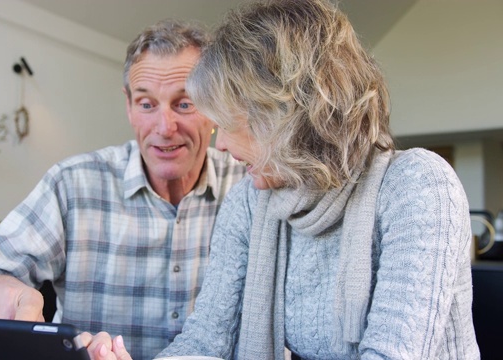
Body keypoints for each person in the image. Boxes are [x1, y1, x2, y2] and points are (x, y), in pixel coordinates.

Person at [84, 0, 480, 359]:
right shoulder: (248, 203)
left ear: (284, 117)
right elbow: (204, 342)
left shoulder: (418, 187)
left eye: (231, 122)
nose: (219, 147)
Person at [0, 19, 246, 360]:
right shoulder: (73, 185)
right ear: (129, 105)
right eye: (146, 104)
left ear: (214, 106)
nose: (164, 127)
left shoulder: (249, 185)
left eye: (184, 104)